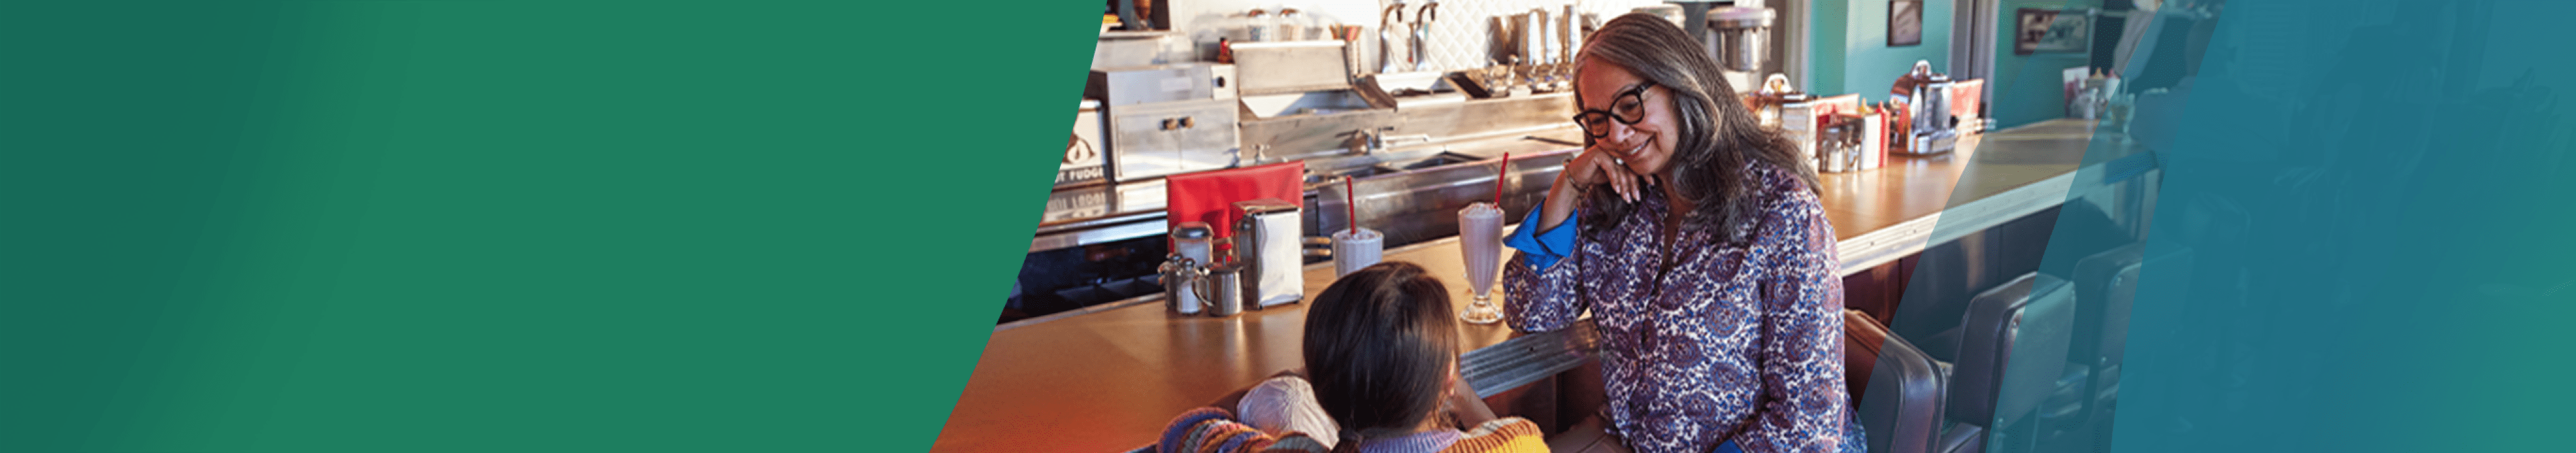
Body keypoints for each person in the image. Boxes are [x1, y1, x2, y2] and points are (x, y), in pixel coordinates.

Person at [1500, 13, 1864, 453]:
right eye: (1597, 119)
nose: (1615, 134)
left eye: (1630, 106)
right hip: (1631, 439)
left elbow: (1808, 424)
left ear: (1682, 85)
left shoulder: (1782, 213)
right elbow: (1533, 312)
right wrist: (1568, 186)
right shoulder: (1614, 202)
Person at [1159, 261, 1546, 453]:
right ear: (1448, 373)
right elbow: (1502, 432)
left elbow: (1190, 427)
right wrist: (1455, 390)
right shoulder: (1515, 444)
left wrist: (1307, 372)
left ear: (1321, 390)